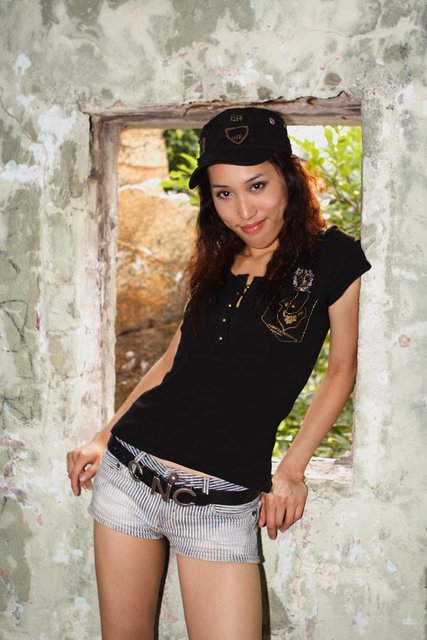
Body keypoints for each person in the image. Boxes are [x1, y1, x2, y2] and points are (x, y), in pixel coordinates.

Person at [67, 107, 371, 640]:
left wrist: (292, 470)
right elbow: (171, 361)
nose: (243, 210)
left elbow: (342, 371)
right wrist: (103, 434)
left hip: (221, 502)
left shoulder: (333, 257)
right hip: (129, 475)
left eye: (257, 185)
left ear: (288, 178)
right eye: (224, 193)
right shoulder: (216, 258)